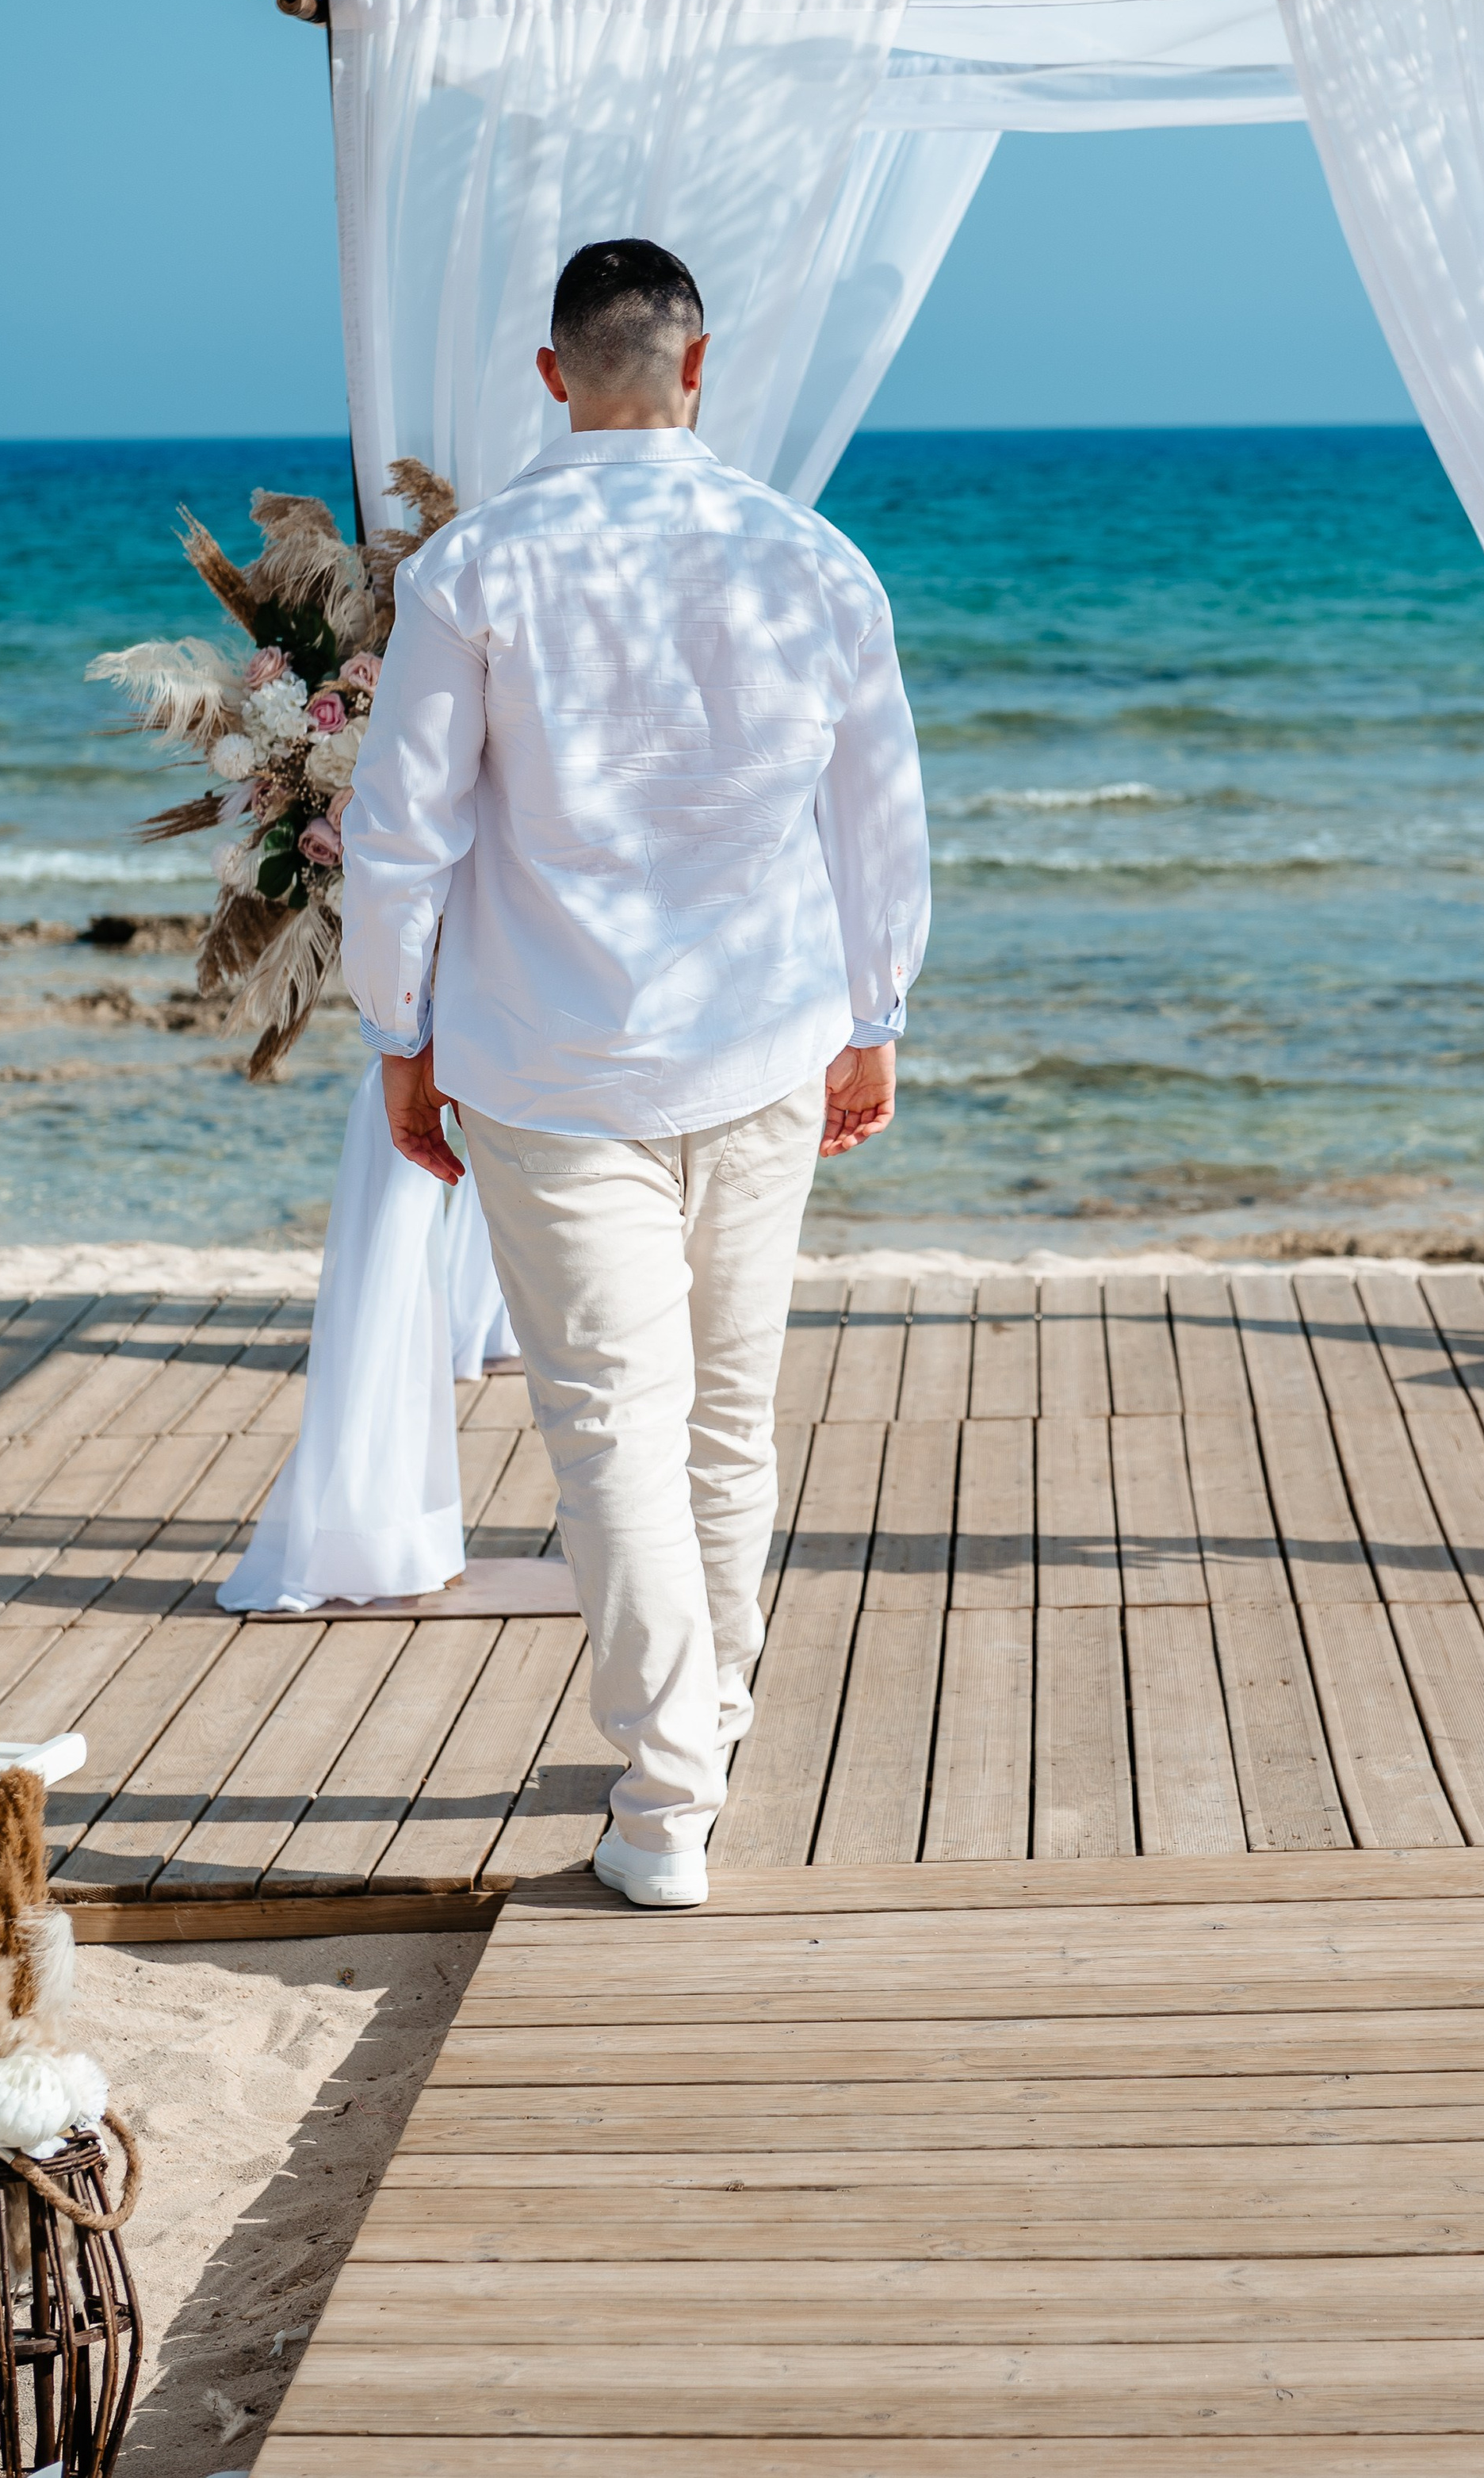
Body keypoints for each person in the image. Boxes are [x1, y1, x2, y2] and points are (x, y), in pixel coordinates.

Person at [339, 238, 929, 1910]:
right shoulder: (809, 557)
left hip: (548, 1058)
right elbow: (877, 813)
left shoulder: (474, 565)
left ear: (550, 373)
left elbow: (399, 835)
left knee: (611, 1430)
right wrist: (874, 1009)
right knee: (724, 1415)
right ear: (699, 361)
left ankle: (671, 1790)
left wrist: (399, 1033)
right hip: (756, 1052)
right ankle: (700, 1731)